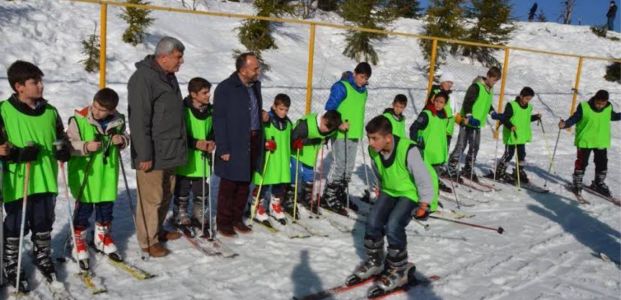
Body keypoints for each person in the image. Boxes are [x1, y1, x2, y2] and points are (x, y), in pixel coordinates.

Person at [346, 115, 437, 296]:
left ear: (388, 137)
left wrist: (424, 203)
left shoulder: (408, 149)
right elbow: (379, 170)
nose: (370, 143)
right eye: (369, 138)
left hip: (409, 193)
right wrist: (380, 187)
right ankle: (376, 261)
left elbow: (423, 178)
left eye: (374, 138)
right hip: (389, 190)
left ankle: (399, 269)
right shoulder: (375, 151)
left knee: (394, 225)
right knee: (372, 221)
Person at [0, 60, 71, 291]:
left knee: (43, 221)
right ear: (19, 86)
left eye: (41, 81)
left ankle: (42, 254)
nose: (40, 86)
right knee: (15, 222)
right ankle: (11, 261)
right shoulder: (3, 110)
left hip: (45, 178)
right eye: (34, 82)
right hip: (18, 180)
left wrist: (63, 148)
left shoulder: (50, 111)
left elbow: (60, 135)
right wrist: (17, 154)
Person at [128, 36, 186, 257]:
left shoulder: (168, 76)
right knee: (151, 198)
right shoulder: (143, 79)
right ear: (163, 57)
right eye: (178, 58)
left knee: (165, 194)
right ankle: (147, 241)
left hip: (170, 150)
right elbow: (139, 119)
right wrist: (144, 153)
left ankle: (158, 230)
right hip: (152, 152)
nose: (181, 62)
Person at [67, 87, 129, 267]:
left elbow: (125, 137)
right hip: (86, 172)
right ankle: (78, 238)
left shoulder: (118, 120)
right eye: (95, 106)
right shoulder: (78, 120)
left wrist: (122, 140)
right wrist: (85, 146)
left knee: (106, 206)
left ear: (112, 110)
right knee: (84, 208)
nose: (96, 111)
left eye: (102, 110)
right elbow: (69, 144)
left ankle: (102, 236)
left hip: (107, 172)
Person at [214, 52, 268, 237]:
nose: (258, 71)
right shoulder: (225, 88)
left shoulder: (254, 86)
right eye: (255, 68)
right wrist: (223, 147)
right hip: (234, 140)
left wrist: (260, 114)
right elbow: (219, 120)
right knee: (229, 183)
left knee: (245, 181)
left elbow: (248, 107)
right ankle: (223, 222)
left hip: (253, 139)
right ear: (243, 70)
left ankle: (237, 218)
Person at [322, 62, 372, 215]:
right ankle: (328, 196)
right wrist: (338, 124)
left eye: (366, 78)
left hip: (354, 133)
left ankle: (339, 193)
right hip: (340, 132)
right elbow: (330, 108)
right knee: (340, 164)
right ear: (355, 73)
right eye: (362, 76)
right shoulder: (342, 87)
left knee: (349, 167)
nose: (363, 80)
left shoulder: (364, 92)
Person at [172, 77, 215, 234]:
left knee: (201, 187)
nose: (208, 95)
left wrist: (212, 142)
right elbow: (179, 133)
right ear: (193, 94)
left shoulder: (210, 110)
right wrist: (195, 143)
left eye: (208, 92)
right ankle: (179, 212)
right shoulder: (183, 110)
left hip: (203, 157)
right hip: (186, 155)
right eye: (204, 93)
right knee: (182, 186)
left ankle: (198, 213)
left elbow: (213, 130)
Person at [559, 90, 621, 197]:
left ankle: (598, 183)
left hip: (601, 141)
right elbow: (575, 118)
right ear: (594, 99)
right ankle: (577, 183)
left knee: (602, 163)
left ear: (606, 102)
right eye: (598, 103)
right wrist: (565, 124)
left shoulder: (608, 107)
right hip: (585, 141)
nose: (600, 106)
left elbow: (613, 116)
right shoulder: (584, 107)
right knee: (582, 163)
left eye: (603, 103)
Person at [447, 67, 502, 182]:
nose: (494, 83)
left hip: (477, 123)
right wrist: (469, 116)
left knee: (475, 147)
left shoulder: (489, 89)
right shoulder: (476, 87)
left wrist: (492, 112)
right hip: (467, 121)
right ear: (488, 76)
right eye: (493, 80)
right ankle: (451, 167)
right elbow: (468, 102)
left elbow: (487, 104)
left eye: (496, 81)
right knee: (461, 145)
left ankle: (468, 168)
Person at [287, 110, 342, 217]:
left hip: (310, 153)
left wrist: (325, 138)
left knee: (309, 174)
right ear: (323, 118)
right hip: (297, 150)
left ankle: (306, 195)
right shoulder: (306, 124)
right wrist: (312, 141)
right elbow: (292, 138)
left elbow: (328, 134)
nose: (326, 130)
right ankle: (289, 197)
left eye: (330, 129)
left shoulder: (331, 128)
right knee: (295, 171)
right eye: (325, 126)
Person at [251, 94, 293, 225]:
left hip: (282, 159)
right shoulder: (267, 120)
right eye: (281, 109)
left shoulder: (288, 123)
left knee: (280, 184)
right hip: (268, 158)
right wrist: (265, 144)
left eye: (286, 110)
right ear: (274, 106)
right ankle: (257, 206)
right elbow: (257, 137)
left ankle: (275, 206)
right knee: (263, 183)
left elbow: (289, 139)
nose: (283, 112)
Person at [491, 87, 541, 184]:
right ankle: (499, 171)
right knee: (509, 154)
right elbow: (505, 119)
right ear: (521, 96)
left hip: (521, 136)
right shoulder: (512, 106)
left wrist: (535, 117)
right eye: (526, 98)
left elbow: (525, 118)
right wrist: (510, 126)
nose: (527, 101)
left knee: (521, 155)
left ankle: (518, 171)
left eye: (529, 99)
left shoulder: (529, 107)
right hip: (512, 135)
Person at [410, 91, 452, 193]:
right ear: (433, 100)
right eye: (437, 101)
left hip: (437, 155)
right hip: (426, 154)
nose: (438, 104)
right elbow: (413, 128)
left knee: (433, 180)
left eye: (441, 102)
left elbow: (442, 135)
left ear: (445, 104)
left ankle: (431, 200)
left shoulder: (445, 116)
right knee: (423, 180)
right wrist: (417, 140)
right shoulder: (427, 114)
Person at [427, 71, 456, 149]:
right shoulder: (436, 92)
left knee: (444, 150)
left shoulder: (452, 96)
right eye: (447, 82)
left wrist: (461, 120)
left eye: (451, 83)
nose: (449, 84)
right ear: (442, 81)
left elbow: (453, 113)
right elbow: (430, 105)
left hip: (448, 129)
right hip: (438, 126)